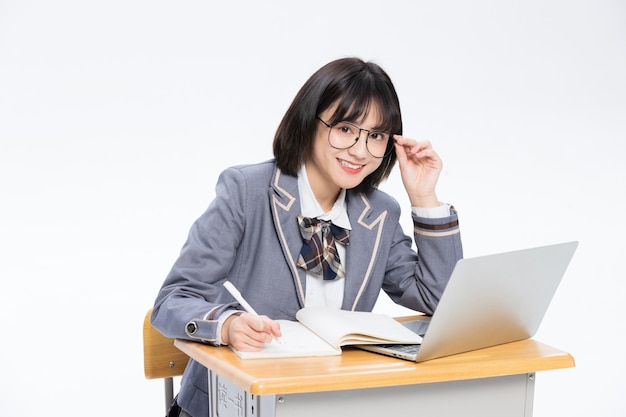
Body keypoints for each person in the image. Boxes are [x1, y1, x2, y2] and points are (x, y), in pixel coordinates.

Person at [151, 57, 463, 417]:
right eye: (346, 129)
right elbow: (173, 300)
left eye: (376, 136)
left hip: (324, 405)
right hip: (230, 405)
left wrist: (424, 198)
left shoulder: (378, 213)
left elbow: (439, 301)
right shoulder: (247, 191)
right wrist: (228, 324)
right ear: (308, 121)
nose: (360, 151)